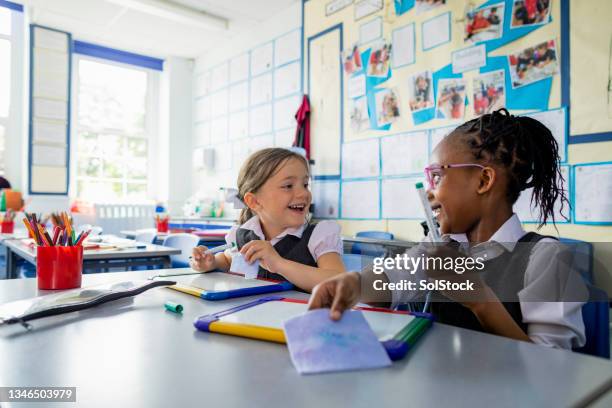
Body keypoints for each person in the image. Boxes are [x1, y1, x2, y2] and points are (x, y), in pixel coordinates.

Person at [309, 109, 587, 349]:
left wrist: (480, 300)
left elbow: (552, 368)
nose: (429, 192)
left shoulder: (545, 258)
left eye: (437, 177)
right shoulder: (443, 246)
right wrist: (354, 284)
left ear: (483, 180)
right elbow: (391, 280)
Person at [190, 148, 345, 292]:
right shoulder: (244, 234)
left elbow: (340, 283)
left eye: (305, 184)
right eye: (288, 186)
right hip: (252, 316)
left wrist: (279, 264)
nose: (304, 193)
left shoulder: (319, 234)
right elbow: (228, 258)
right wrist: (212, 262)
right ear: (254, 202)